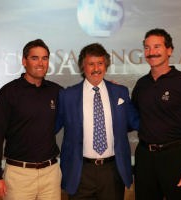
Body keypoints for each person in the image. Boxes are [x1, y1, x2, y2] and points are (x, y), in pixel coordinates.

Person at [56, 43, 139, 200]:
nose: (96, 69)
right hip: (80, 172)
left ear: (106, 65)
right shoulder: (67, 96)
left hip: (112, 171)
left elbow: (135, 122)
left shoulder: (120, 92)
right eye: (91, 64)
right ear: (83, 66)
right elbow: (51, 127)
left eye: (100, 63)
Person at [132, 28, 181, 200]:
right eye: (147, 48)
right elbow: (131, 118)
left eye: (157, 47)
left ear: (169, 50)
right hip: (145, 158)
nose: (151, 52)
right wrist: (114, 95)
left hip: (176, 158)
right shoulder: (141, 84)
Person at [0, 39, 62, 200]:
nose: (41, 63)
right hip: (19, 176)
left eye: (45, 58)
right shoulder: (8, 93)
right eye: (35, 58)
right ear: (24, 61)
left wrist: (105, 86)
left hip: (51, 174)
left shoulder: (56, 91)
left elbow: (81, 99)